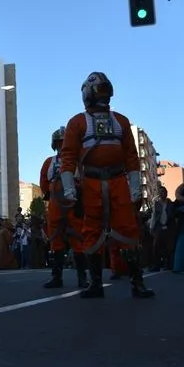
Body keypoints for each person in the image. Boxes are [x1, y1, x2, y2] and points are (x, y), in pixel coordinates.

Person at [59, 72, 155, 299]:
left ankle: (137, 282)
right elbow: (68, 156)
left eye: (106, 92)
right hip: (91, 183)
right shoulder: (77, 122)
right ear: (88, 95)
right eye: (100, 92)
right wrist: (69, 188)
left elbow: (131, 157)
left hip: (117, 181)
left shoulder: (120, 121)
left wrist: (135, 187)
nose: (104, 97)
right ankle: (96, 283)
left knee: (128, 228)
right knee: (91, 230)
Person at [40, 127, 88, 289]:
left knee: (78, 239)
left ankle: (82, 277)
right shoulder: (49, 162)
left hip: (73, 202)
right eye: (60, 143)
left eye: (65, 142)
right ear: (55, 145)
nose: (62, 145)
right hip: (55, 203)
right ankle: (57, 277)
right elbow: (43, 182)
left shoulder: (78, 161)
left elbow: (84, 180)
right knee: (55, 240)